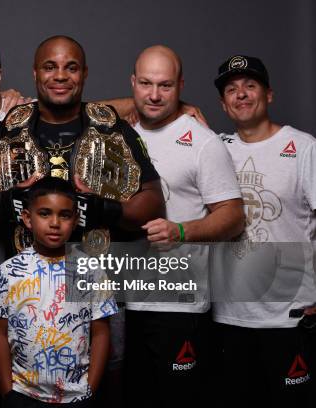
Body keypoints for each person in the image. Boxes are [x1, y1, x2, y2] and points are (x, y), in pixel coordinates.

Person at [122, 45, 244, 406]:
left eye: (165, 85)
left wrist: (181, 231)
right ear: (132, 83)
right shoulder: (120, 135)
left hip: (180, 306)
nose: (154, 95)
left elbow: (234, 216)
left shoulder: (203, 142)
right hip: (127, 304)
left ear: (181, 86)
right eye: (145, 83)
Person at [0, 35, 164, 250]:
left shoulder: (115, 130)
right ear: (35, 73)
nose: (60, 76)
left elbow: (154, 202)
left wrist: (106, 208)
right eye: (49, 67)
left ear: (84, 74)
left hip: (97, 276)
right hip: (26, 277)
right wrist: (7, 201)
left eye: (71, 68)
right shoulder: (5, 132)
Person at [212, 54, 315, 405]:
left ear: (268, 95)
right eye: (232, 89)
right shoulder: (215, 150)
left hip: (291, 317)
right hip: (229, 317)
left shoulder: (303, 148)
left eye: (250, 86)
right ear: (223, 104)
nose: (241, 95)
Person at [0, 176, 115, 406]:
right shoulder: (10, 271)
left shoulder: (89, 270)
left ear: (75, 220)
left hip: (77, 396)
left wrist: (90, 391)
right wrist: (8, 393)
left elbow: (101, 333)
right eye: (44, 213)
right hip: (23, 394)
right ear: (27, 218)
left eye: (64, 215)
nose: (55, 223)